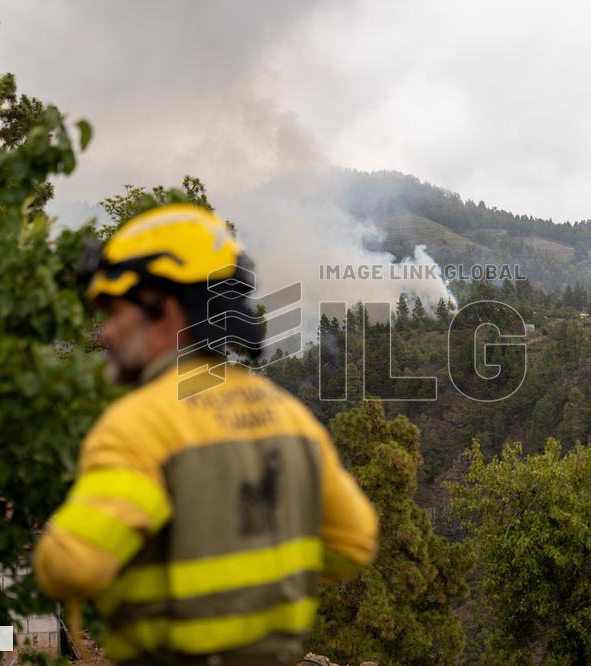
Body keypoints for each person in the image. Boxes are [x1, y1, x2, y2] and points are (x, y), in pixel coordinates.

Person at [33, 203, 379, 665]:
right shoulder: (291, 417)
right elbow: (354, 541)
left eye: (116, 310)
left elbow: (73, 566)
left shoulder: (138, 425)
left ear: (166, 308)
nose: (108, 331)